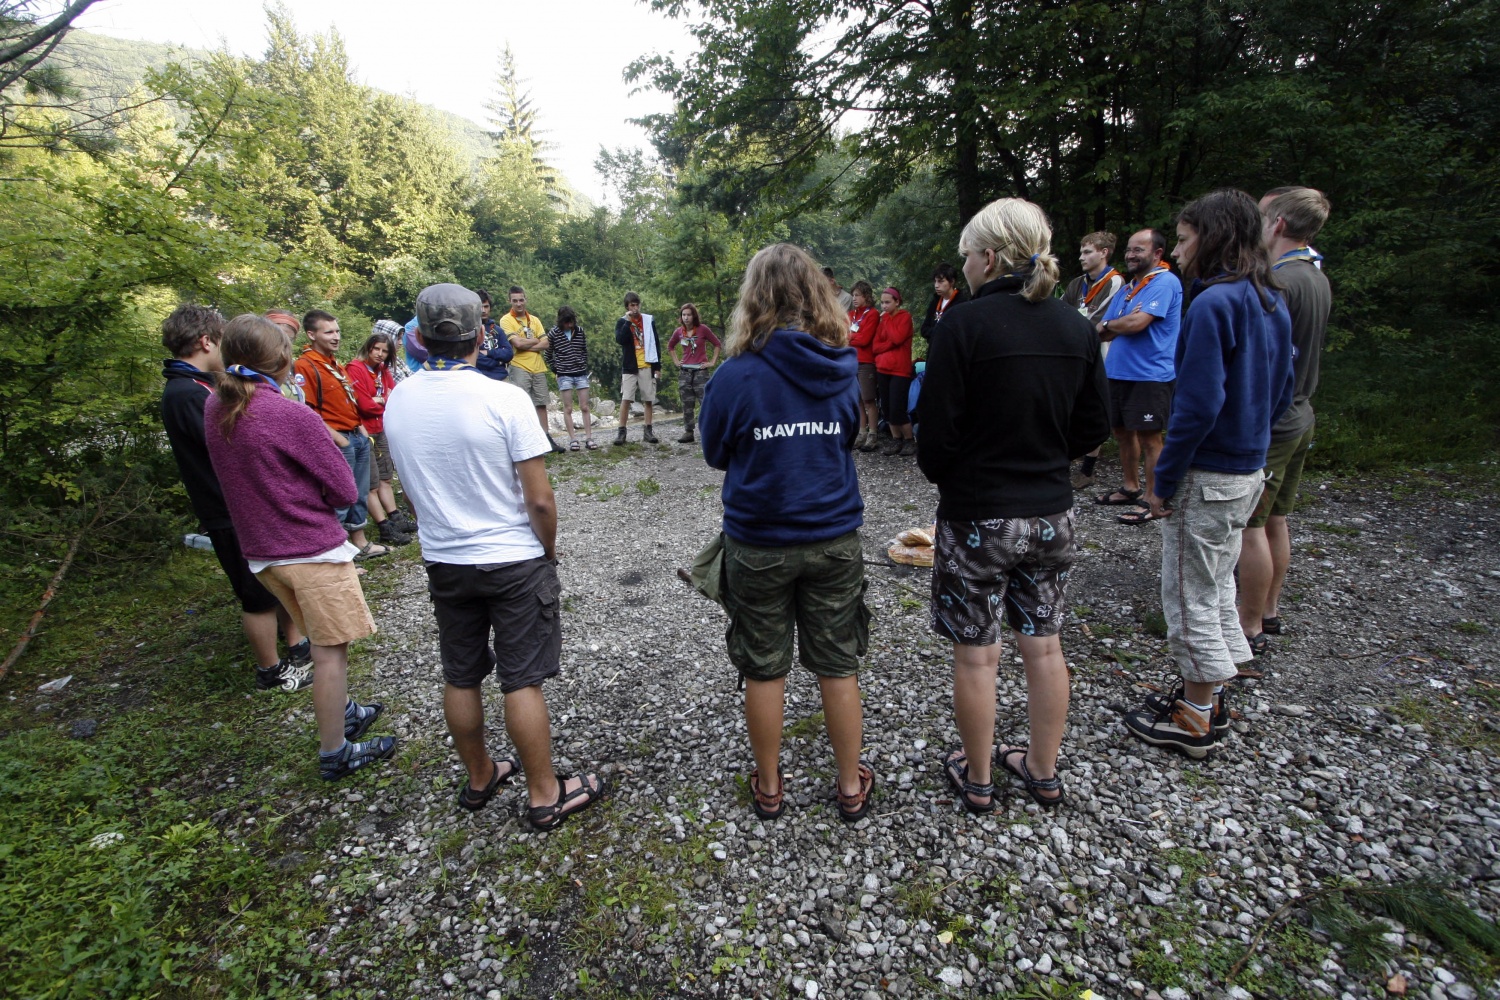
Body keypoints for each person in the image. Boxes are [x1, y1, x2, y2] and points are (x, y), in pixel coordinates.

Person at [385, 283, 606, 830]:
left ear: (418, 337)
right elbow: (539, 499)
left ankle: (481, 776)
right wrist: (547, 551)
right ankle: (543, 793)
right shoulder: (503, 397)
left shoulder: (398, 398)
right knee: (520, 679)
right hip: (511, 557)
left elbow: (411, 488)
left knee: (460, 674)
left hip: (444, 558)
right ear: (481, 335)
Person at [918, 198, 1110, 812]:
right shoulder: (1076, 326)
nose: (965, 267)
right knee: (1046, 645)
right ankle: (1042, 771)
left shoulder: (962, 328)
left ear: (990, 257)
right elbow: (1093, 428)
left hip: (979, 513)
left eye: (968, 255)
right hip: (1052, 511)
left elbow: (935, 442)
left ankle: (978, 780)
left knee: (978, 657)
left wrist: (961, 476)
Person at [699, 244, 873, 823]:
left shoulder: (734, 375)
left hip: (758, 544)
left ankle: (770, 785)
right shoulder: (841, 366)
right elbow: (845, 437)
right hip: (833, 538)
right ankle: (850, 784)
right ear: (816, 296)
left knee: (763, 666)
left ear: (755, 299)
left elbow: (715, 453)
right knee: (837, 663)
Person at [1122, 189, 1294, 759]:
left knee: (1189, 591)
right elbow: (1283, 392)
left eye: (1189, 237)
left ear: (1214, 237)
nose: (1183, 249)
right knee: (1219, 583)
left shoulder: (1214, 304)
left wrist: (1162, 482)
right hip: (1247, 468)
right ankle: (1212, 695)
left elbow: (1195, 406)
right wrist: (1254, 447)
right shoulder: (1271, 299)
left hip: (1209, 472)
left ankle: (1194, 717)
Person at [205, 314, 397, 780]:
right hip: (308, 548)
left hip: (263, 552)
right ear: (285, 358)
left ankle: (344, 711)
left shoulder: (217, 406)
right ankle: (336, 750)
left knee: (317, 637)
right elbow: (342, 487)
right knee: (330, 650)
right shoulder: (289, 414)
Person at [160, 304, 312, 693]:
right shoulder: (187, 392)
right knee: (254, 592)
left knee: (274, 580)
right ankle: (271, 670)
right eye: (222, 341)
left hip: (245, 502)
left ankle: (295, 644)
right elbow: (228, 447)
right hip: (226, 507)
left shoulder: (201, 386)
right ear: (205, 341)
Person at [1236, 187, 1332, 654]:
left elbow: (1265, 360)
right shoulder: (1314, 275)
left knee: (1251, 524)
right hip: (1302, 413)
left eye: (1260, 216)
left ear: (1276, 225)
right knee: (1276, 518)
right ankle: (1269, 611)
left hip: (1277, 419)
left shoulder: (1282, 281)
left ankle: (1248, 625)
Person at [1094, 229, 1183, 523]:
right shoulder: (1131, 286)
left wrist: (1121, 322)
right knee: (1121, 433)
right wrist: (1117, 322)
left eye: (1138, 250)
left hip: (1150, 374)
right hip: (1118, 372)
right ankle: (1130, 487)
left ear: (1157, 253)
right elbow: (1106, 326)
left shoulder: (1165, 282)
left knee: (1149, 438)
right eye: (1129, 250)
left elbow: (1136, 323)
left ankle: (1152, 498)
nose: (1131, 255)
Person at [293, 311, 389, 560]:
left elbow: (349, 401)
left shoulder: (334, 363)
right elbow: (307, 411)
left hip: (356, 434)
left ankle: (359, 543)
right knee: (340, 495)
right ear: (311, 335)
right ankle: (336, 552)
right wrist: (338, 438)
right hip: (339, 440)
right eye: (329, 332)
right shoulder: (306, 365)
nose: (336, 337)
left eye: (337, 331)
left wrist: (360, 429)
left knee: (358, 493)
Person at [1061, 232, 1125, 489]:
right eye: (1081, 252)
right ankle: (1063, 461)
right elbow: (1061, 310)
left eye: (1087, 252)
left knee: (1093, 405)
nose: (1081, 257)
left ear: (1104, 252)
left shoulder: (1115, 281)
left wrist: (1071, 330)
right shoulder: (1077, 283)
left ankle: (1087, 470)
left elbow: (1100, 318)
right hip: (1074, 349)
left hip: (1101, 351)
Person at [348, 328, 416, 545]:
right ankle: (383, 526)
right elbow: (364, 405)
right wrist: (379, 400)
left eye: (384, 351)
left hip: (381, 428)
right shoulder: (355, 369)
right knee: (371, 483)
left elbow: (393, 396)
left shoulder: (383, 372)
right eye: (376, 349)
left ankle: (395, 517)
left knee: (386, 476)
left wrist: (380, 400)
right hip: (364, 429)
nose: (379, 354)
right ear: (368, 348)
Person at [500, 286, 565, 453]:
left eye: (521, 300)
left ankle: (546, 439)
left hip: (538, 367)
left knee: (541, 404)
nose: (519, 304)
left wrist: (527, 343)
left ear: (525, 300)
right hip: (519, 366)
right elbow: (517, 344)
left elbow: (547, 343)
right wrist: (535, 342)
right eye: (515, 301)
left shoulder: (534, 320)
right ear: (510, 301)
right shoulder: (506, 320)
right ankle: (525, 440)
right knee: (522, 404)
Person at [666, 303, 721, 444]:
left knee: (705, 402)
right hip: (685, 372)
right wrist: (676, 361)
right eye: (683, 315)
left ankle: (708, 431)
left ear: (694, 316)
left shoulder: (703, 330)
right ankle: (688, 432)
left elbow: (717, 344)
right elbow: (670, 346)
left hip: (701, 371)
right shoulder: (679, 332)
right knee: (687, 403)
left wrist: (712, 362)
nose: (686, 317)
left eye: (689, 315)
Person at [872, 286, 916, 455]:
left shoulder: (904, 317)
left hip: (899, 370)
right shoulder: (883, 321)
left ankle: (909, 440)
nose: (884, 306)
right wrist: (889, 345)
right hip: (883, 368)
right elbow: (876, 346)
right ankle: (896, 440)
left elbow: (898, 337)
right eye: (882, 303)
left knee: (898, 408)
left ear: (897, 302)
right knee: (888, 408)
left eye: (887, 302)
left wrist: (888, 322)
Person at [614, 292, 662, 444]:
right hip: (630, 366)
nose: (635, 308)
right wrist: (628, 322)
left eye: (637, 305)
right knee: (626, 398)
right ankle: (621, 432)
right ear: (627, 307)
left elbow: (656, 342)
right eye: (632, 305)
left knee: (648, 399)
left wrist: (657, 366)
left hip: (647, 363)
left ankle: (648, 430)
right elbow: (620, 340)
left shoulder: (648, 320)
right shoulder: (622, 322)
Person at [546, 305, 596, 450]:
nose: (569, 325)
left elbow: (584, 350)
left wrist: (583, 364)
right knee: (567, 408)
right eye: (566, 322)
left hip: (580, 373)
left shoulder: (580, 331)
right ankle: (573, 439)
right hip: (564, 375)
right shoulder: (553, 333)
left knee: (585, 406)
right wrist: (556, 370)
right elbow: (548, 354)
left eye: (571, 322)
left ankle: (589, 438)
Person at [847, 281, 882, 452]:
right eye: (853, 295)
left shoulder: (872, 314)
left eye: (857, 295)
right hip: (851, 360)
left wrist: (850, 337)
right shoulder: (851, 314)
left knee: (868, 399)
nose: (854, 298)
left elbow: (865, 339)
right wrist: (853, 337)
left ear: (866, 296)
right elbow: (842, 334)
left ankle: (873, 433)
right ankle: (861, 432)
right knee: (858, 400)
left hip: (866, 362)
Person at [918, 263, 970, 352]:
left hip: (953, 351)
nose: (936, 285)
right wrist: (939, 332)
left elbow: (959, 331)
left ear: (952, 282)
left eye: (941, 281)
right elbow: (924, 329)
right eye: (935, 281)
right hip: (934, 350)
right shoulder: (935, 302)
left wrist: (936, 332)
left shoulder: (962, 302)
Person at [264, 310, 307, 403]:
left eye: (290, 339)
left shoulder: (291, 367)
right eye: (279, 338)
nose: (284, 345)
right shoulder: (255, 369)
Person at [475, 290, 515, 383]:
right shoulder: (470, 330)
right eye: (480, 307)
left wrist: (488, 353)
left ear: (490, 308)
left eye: (486, 306)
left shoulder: (498, 330)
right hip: (480, 378)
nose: (483, 311)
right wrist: (498, 362)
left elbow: (509, 353)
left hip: (501, 378)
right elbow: (474, 357)